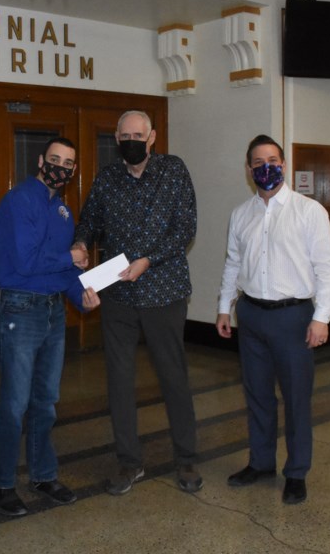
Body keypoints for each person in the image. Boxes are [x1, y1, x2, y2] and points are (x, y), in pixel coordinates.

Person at [73, 110, 201, 496]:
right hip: (119, 296)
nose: (131, 140)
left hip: (164, 291)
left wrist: (148, 260)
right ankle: (129, 462)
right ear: (116, 137)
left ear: (152, 137)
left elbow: (185, 228)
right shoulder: (107, 178)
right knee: (119, 380)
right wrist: (80, 243)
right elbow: (89, 221)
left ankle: (187, 458)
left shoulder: (173, 170)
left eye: (138, 135)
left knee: (172, 375)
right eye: (124, 134)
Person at [216, 134, 330, 505]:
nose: (265, 166)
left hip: (294, 317)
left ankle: (297, 472)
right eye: (257, 161)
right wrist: (225, 306)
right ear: (249, 169)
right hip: (251, 315)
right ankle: (261, 462)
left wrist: (321, 318)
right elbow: (233, 264)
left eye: (272, 159)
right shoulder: (241, 214)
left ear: (283, 164)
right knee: (257, 396)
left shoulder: (309, 210)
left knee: (297, 399)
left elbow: (326, 268)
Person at [0, 137, 99, 516]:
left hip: (53, 312)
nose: (61, 168)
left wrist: (79, 292)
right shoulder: (20, 200)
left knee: (46, 401)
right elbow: (25, 261)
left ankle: (42, 474)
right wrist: (70, 257)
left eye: (68, 163)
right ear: (40, 161)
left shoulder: (63, 210)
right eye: (55, 160)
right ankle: (2, 483)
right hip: (20, 309)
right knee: (14, 403)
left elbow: (63, 270)